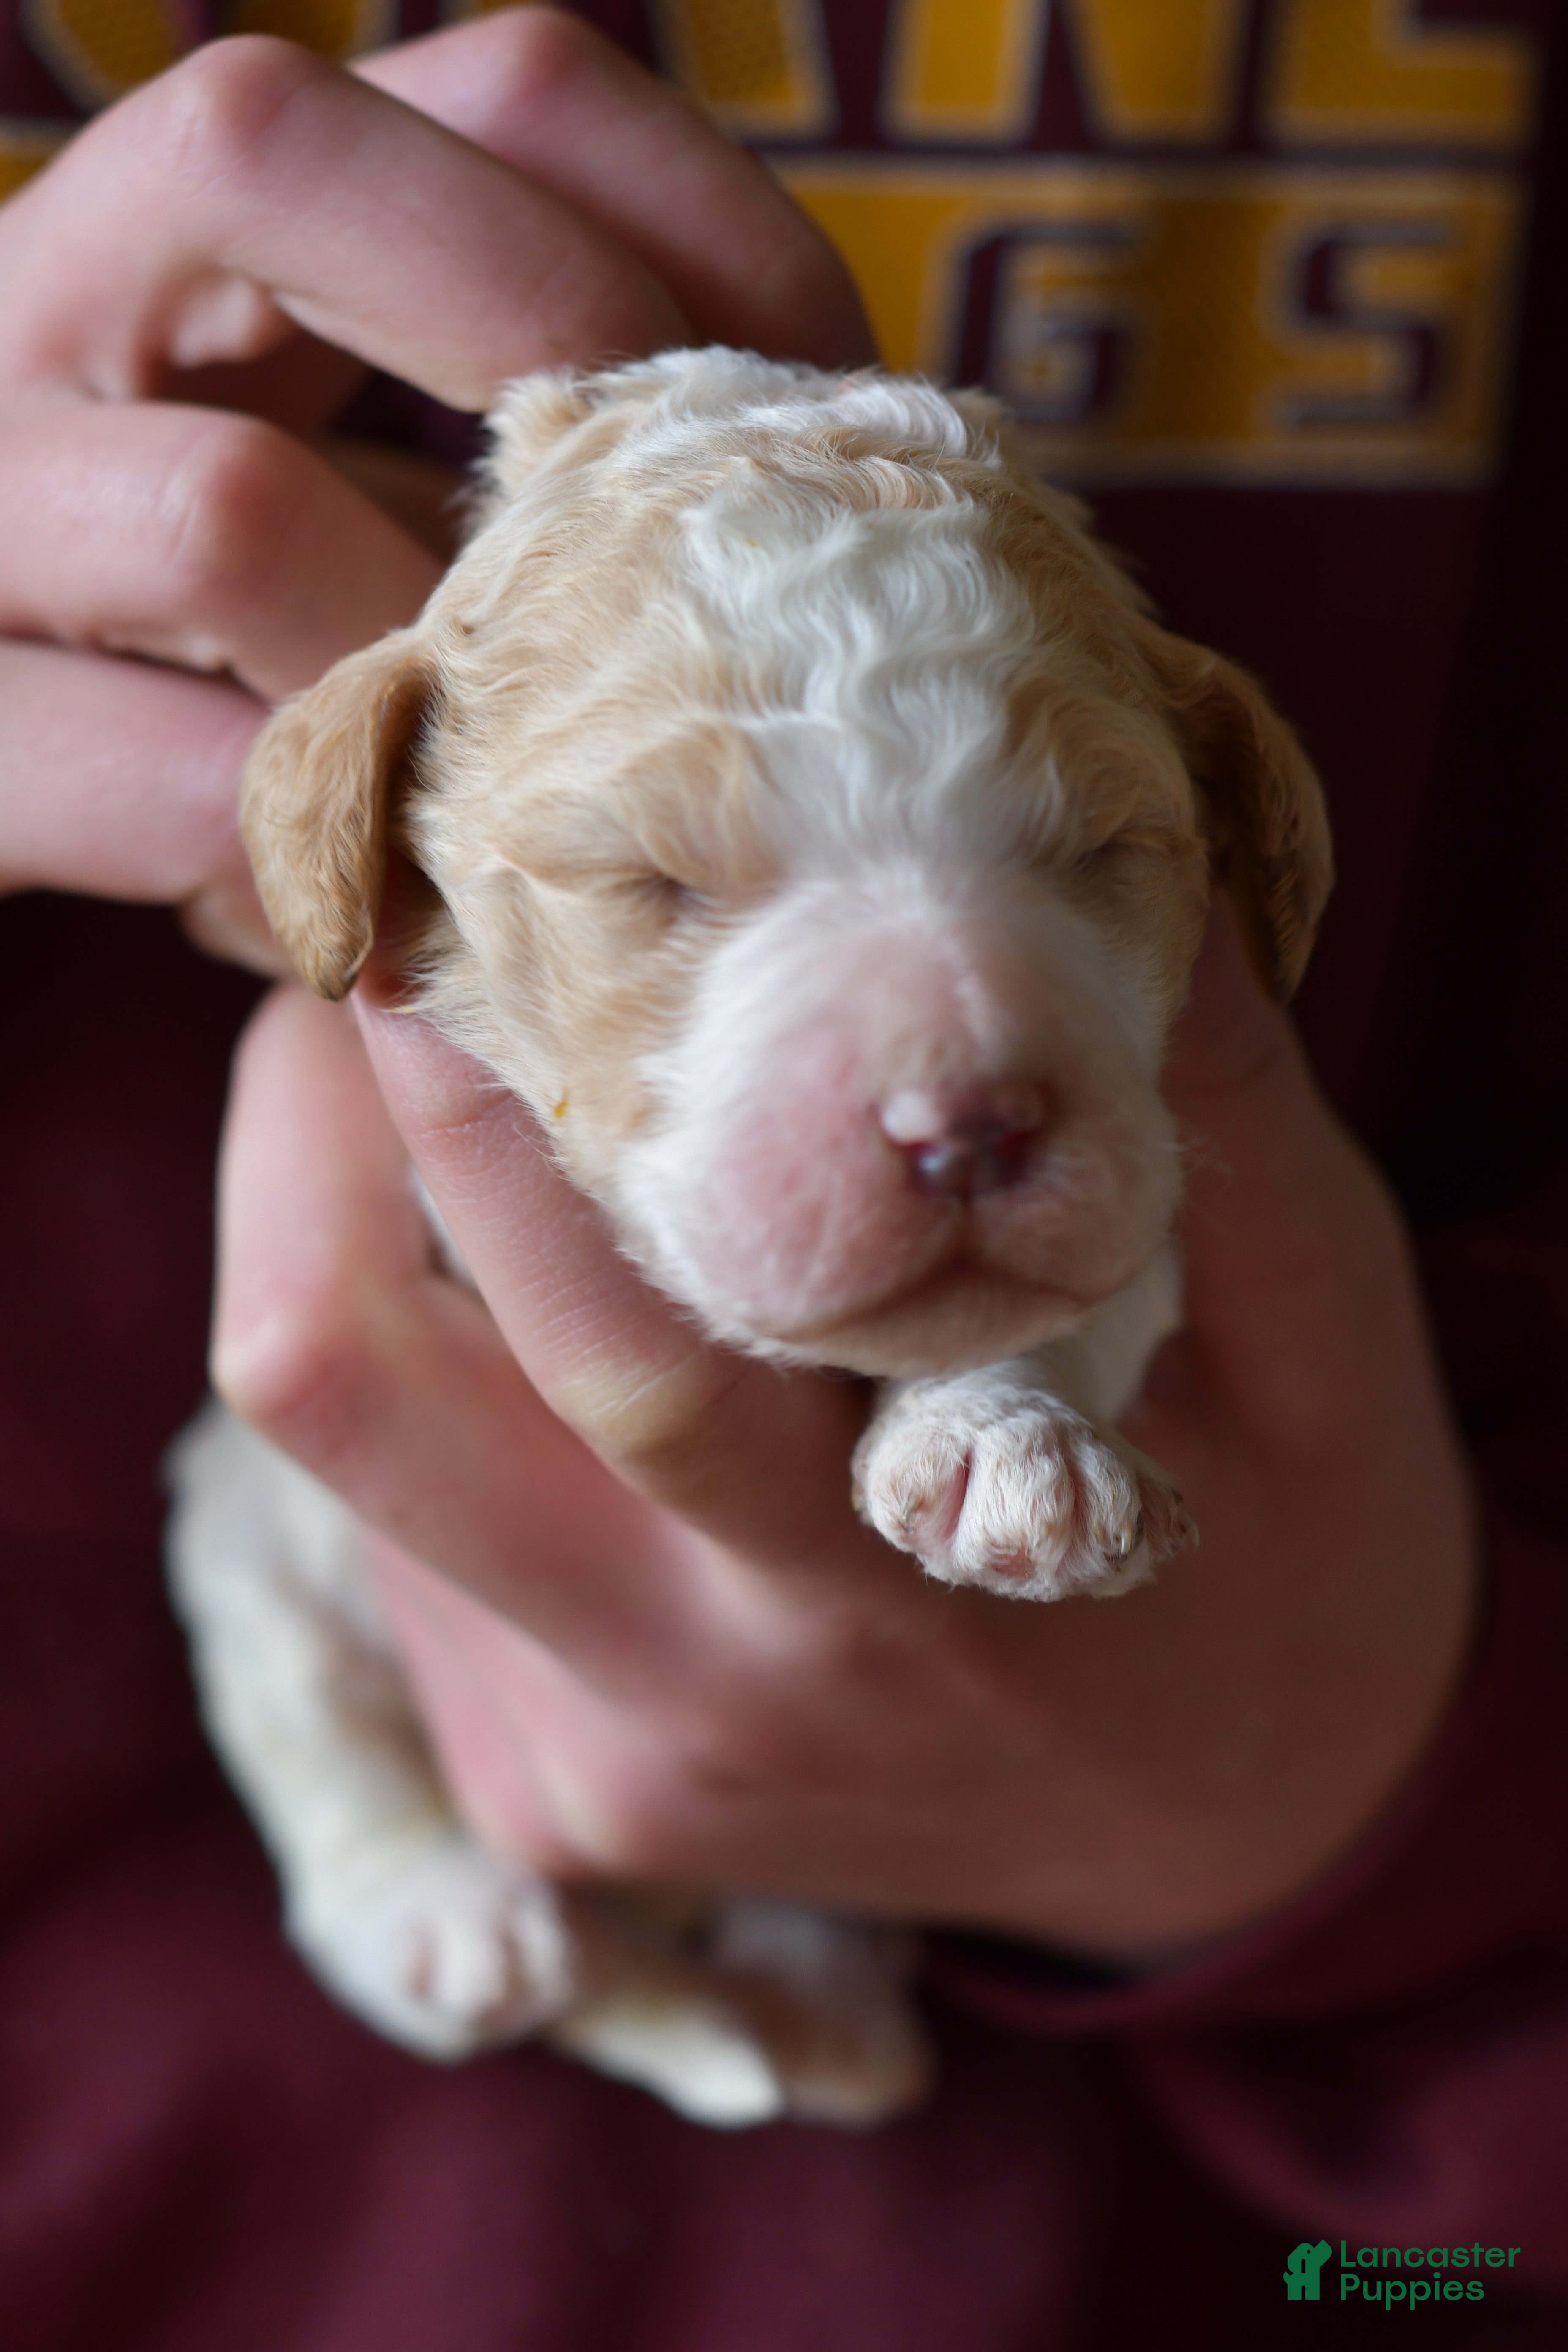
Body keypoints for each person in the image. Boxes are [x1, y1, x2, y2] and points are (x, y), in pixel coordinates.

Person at [0, 6, 1563, 2344]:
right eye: (658, 885)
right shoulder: (396, 771)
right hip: (120, 2189)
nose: (959, 1075)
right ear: (359, 812)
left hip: (1305, 2250)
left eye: (1096, 857)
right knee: (263, 1549)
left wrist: (1401, 1824)